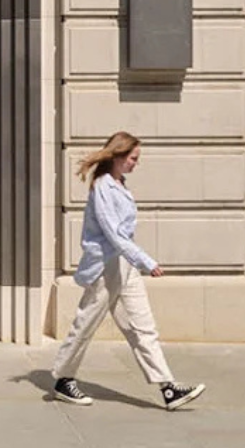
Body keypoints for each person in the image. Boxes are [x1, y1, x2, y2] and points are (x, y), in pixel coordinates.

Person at [49, 131, 206, 411]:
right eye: (133, 158)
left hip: (124, 264)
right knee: (86, 324)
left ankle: (168, 388)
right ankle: (63, 380)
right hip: (106, 266)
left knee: (142, 327)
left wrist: (136, 261)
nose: (136, 163)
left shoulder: (119, 184)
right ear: (119, 156)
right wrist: (147, 261)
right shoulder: (102, 187)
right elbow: (113, 234)